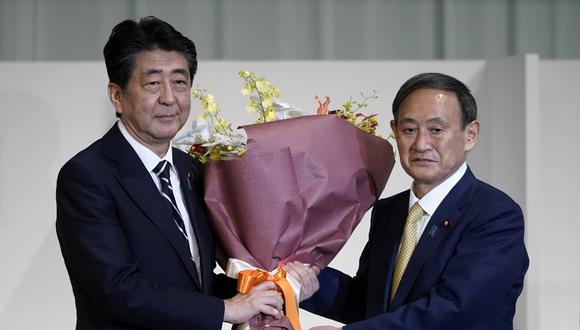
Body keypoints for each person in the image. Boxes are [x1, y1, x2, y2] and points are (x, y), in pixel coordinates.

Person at [55, 16, 283, 329]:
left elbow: (194, 284)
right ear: (117, 96)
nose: (169, 97)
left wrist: (266, 289)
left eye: (180, 82)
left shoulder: (193, 170)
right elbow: (116, 288)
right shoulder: (87, 175)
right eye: (152, 83)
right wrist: (227, 310)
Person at [302, 72, 529, 329]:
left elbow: (457, 309)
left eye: (436, 130)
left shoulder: (495, 214)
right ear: (395, 132)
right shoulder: (389, 211)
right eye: (409, 129)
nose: (421, 144)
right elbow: (370, 305)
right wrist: (304, 284)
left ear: (470, 135)